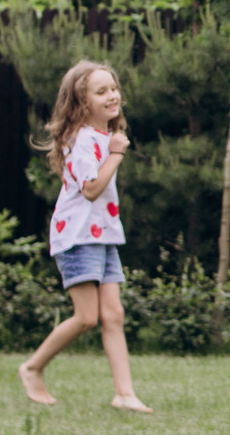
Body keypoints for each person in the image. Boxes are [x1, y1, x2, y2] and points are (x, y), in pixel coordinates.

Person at [18, 60, 148, 412]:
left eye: (114, 88)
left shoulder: (103, 137)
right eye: (101, 91)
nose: (112, 96)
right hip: (77, 236)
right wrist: (117, 154)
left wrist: (113, 148)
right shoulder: (81, 140)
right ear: (81, 101)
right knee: (87, 317)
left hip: (103, 235)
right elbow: (91, 189)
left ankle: (124, 394)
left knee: (114, 314)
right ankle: (32, 368)